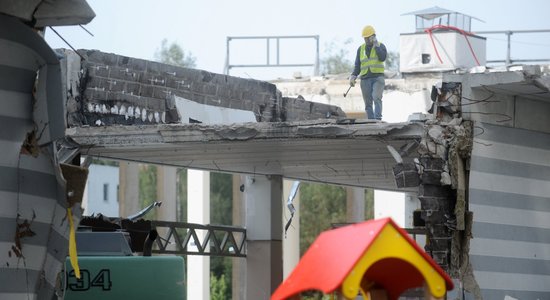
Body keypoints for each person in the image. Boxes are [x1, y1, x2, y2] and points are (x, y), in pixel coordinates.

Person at [349, 25, 387, 120]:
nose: (366, 40)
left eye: (368, 37)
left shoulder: (381, 46)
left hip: (378, 78)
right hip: (365, 79)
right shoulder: (360, 49)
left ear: (373, 36)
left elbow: (382, 57)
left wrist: (376, 45)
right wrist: (353, 76)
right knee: (368, 102)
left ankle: (377, 119)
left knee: (376, 97)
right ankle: (371, 120)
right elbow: (357, 65)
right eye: (365, 38)